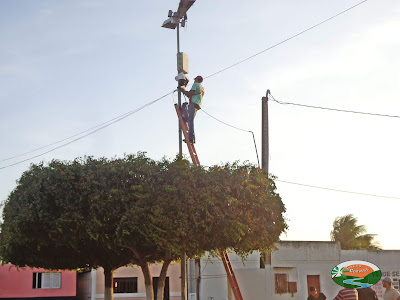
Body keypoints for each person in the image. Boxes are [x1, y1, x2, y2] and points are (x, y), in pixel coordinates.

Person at [178, 75, 205, 144]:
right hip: (197, 105)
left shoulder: (195, 84)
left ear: (196, 79)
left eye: (195, 79)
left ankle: (191, 138)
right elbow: (193, 95)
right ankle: (192, 138)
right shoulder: (202, 88)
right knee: (189, 120)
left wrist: (182, 89)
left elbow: (190, 94)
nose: (194, 80)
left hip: (193, 104)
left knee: (190, 121)